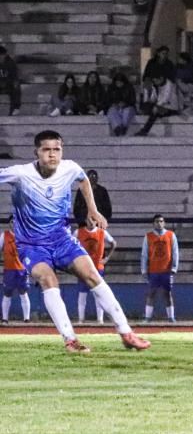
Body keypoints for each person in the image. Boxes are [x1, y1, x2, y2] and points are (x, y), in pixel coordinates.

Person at [0, 130, 150, 353]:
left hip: (62, 239)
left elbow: (83, 180)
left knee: (92, 275)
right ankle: (71, 340)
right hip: (32, 245)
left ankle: (127, 333)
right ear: (37, 152)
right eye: (47, 150)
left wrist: (93, 209)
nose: (52, 155)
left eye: (56, 149)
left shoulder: (69, 168)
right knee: (48, 279)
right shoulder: (20, 174)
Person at [74, 223, 116, 323]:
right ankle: (81, 319)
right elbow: (69, 244)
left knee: (98, 294)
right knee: (82, 294)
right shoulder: (78, 232)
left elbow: (113, 243)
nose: (91, 222)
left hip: (97, 267)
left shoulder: (102, 232)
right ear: (85, 220)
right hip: (83, 267)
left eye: (93, 219)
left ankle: (100, 320)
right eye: (89, 219)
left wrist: (107, 258)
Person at [141, 214, 179, 321]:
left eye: (161, 221)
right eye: (157, 221)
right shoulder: (148, 236)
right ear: (153, 223)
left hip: (166, 269)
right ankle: (148, 317)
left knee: (167, 293)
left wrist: (174, 267)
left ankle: (171, 317)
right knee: (151, 293)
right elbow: (144, 254)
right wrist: (144, 269)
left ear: (164, 223)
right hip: (153, 269)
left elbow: (175, 252)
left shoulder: (171, 235)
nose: (159, 223)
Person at [1, 228, 32, 323]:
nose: (13, 223)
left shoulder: (25, 234)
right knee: (7, 294)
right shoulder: (4, 235)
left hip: (22, 269)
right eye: (11, 221)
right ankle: (5, 319)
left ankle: (26, 319)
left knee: (23, 293)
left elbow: (30, 251)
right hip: (9, 269)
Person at [0, 45, 19, 115]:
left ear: (4, 55)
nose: (0, 58)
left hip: (8, 85)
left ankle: (15, 108)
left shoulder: (11, 63)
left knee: (16, 85)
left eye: (2, 56)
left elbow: (15, 77)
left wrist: (7, 82)